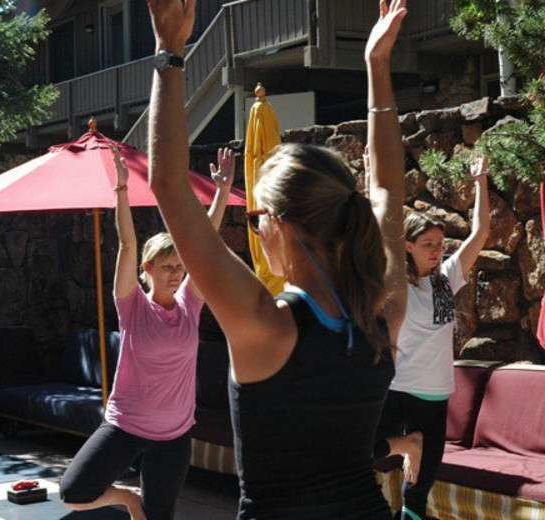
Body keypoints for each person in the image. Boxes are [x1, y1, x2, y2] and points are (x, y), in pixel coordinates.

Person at [145, 0, 409, 518]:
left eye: (255, 215)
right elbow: (387, 193)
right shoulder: (383, 315)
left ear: (279, 225)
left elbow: (169, 187)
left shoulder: (267, 327)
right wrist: (377, 68)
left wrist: (168, 51)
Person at [59, 143, 234, 520]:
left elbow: (203, 244)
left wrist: (221, 191)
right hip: (126, 425)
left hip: (174, 436)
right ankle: (128, 497)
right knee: (74, 492)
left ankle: (142, 504)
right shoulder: (133, 304)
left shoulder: (190, 303)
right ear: (147, 268)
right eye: (166, 266)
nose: (175, 273)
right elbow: (126, 242)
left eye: (179, 267)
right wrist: (121, 191)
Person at [373, 156, 490, 520]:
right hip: (398, 391)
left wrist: (481, 181)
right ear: (407, 246)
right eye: (428, 243)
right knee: (362, 453)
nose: (438, 249)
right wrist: (370, 179)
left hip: (437, 398)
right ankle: (407, 445)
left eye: (440, 242)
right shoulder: (396, 284)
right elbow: (376, 233)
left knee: (417, 496)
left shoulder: (446, 278)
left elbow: (481, 232)